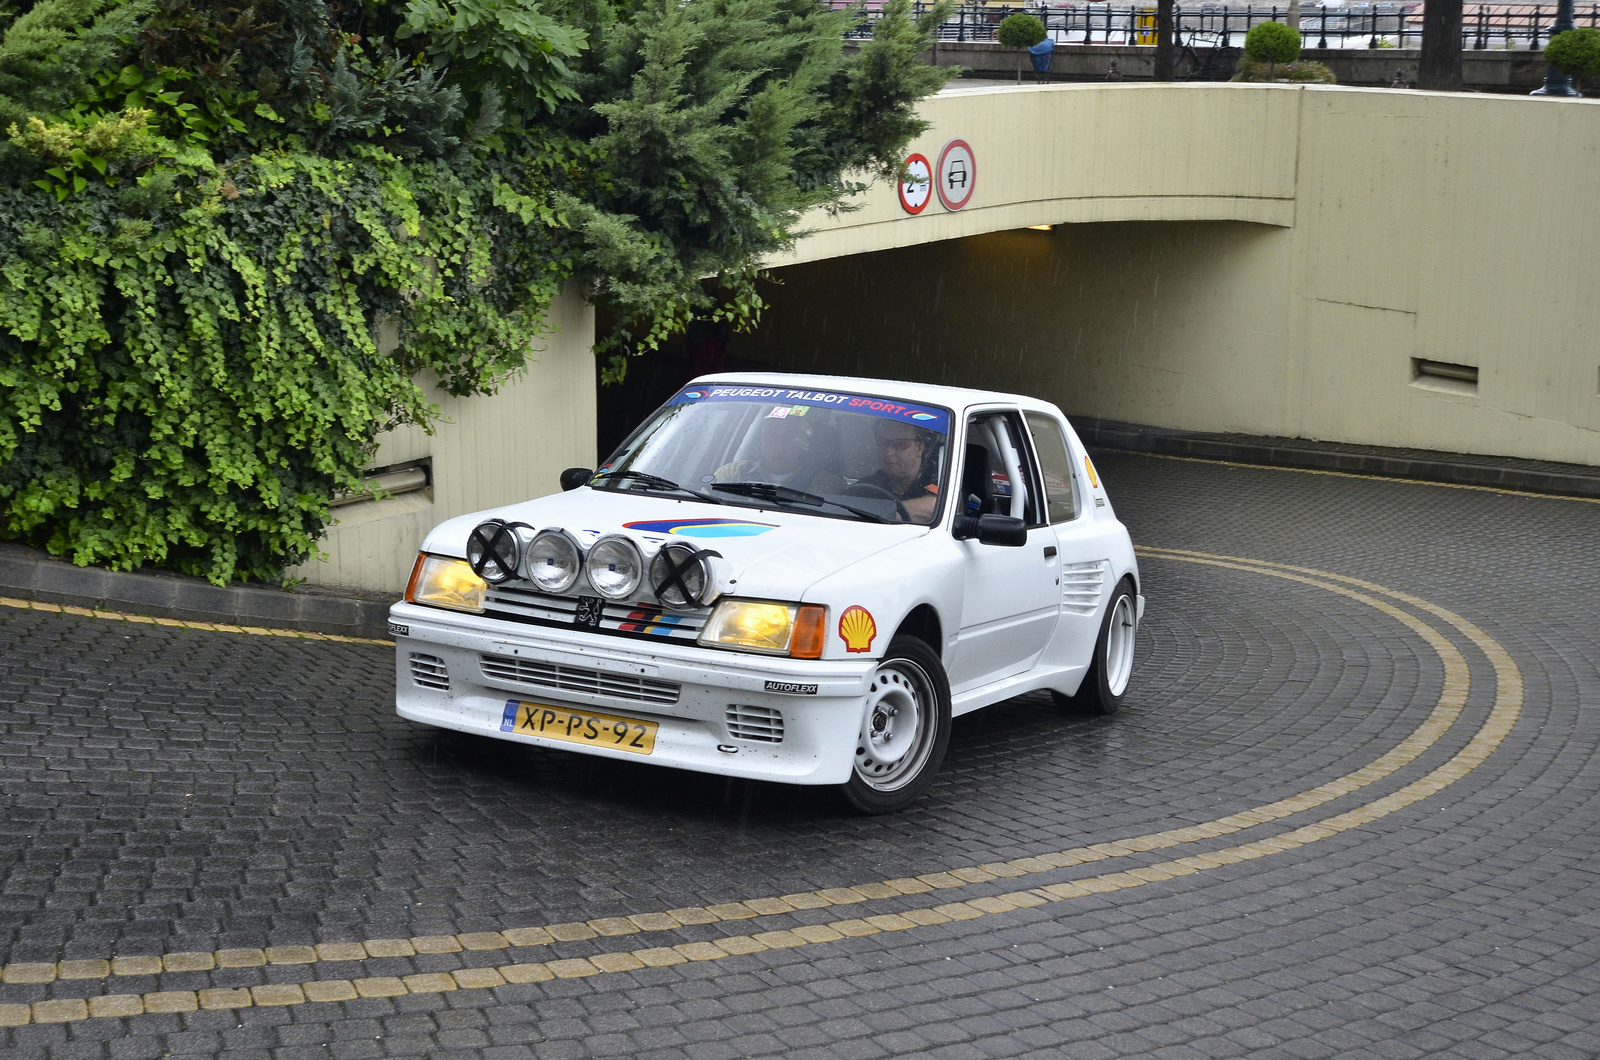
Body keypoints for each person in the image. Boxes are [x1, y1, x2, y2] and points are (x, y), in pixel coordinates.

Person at [713, 413, 846, 493]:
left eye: (788, 437)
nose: (779, 446)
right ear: (761, 441)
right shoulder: (731, 475)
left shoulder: (825, 485)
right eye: (771, 437)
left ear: (802, 443)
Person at [851, 420, 940, 524]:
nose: (889, 452)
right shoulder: (865, 486)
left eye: (900, 444)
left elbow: (935, 506)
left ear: (919, 448)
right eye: (882, 443)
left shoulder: (939, 479)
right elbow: (840, 506)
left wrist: (881, 511)